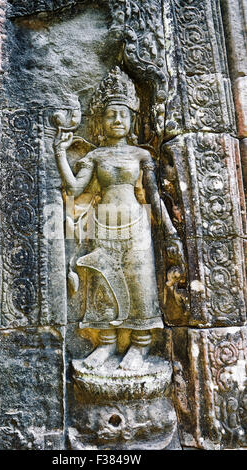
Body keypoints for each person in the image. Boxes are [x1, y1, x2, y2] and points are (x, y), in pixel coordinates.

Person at [54, 67, 182, 371]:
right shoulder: (96, 156)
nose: (117, 121)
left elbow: (152, 195)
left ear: (132, 119)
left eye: (122, 115)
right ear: (101, 121)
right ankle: (107, 342)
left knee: (139, 283)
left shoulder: (141, 156)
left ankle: (139, 345)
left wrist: (169, 229)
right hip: (103, 224)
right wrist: (61, 153)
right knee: (104, 283)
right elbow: (74, 188)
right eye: (110, 115)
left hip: (137, 224)